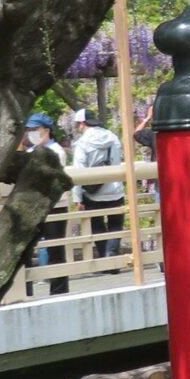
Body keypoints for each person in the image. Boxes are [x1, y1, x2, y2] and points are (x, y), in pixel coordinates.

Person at [66, 108, 127, 268]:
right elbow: (117, 161)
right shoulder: (112, 137)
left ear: (82, 123)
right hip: (115, 189)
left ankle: (105, 261)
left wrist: (77, 198)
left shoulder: (82, 143)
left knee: (97, 225)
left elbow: (79, 171)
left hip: (93, 192)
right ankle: (112, 255)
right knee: (116, 225)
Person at [22, 113, 68, 294]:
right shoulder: (28, 152)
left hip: (54, 206)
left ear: (47, 131)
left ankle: (59, 290)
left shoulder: (57, 151)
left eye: (35, 129)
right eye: (29, 130)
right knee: (25, 248)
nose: (31, 133)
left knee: (55, 248)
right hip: (32, 206)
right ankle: (26, 290)